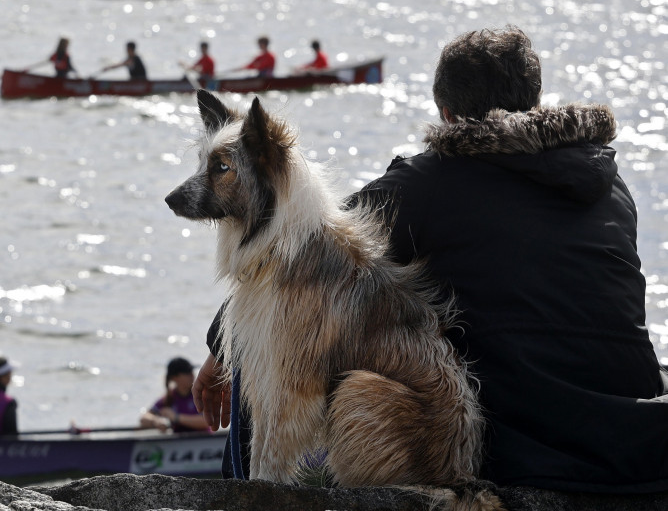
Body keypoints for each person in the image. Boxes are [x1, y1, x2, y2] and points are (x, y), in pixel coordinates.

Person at [194, 26, 668, 492]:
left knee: (264, 341)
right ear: (536, 104)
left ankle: (246, 493)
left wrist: (223, 347)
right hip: (636, 439)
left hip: (525, 449)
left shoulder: (430, 182)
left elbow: (297, 254)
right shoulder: (607, 184)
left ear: (444, 114)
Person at [141, 357, 210, 433]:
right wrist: (156, 421)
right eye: (187, 372)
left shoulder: (200, 395)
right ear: (174, 378)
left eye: (191, 371)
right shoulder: (168, 398)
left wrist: (176, 418)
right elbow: (144, 418)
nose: (192, 375)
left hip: (202, 440)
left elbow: (208, 421)